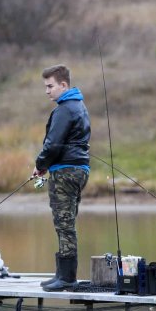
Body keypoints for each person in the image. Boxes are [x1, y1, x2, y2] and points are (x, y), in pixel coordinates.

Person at [32, 64, 91, 292]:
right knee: (66, 222)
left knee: (63, 223)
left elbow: (53, 144)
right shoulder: (79, 106)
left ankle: (66, 278)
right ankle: (61, 273)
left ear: (63, 85)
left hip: (65, 171)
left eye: (50, 86)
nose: (47, 91)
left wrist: (40, 165)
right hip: (78, 169)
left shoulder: (65, 109)